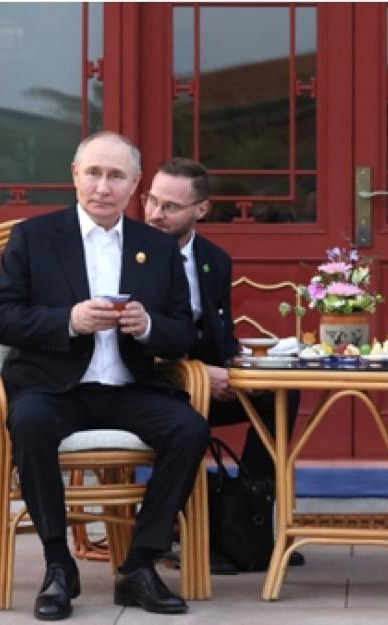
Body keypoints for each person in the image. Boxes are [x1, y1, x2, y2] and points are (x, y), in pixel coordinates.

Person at [0, 132, 210, 619]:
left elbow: (183, 332)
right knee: (31, 421)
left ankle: (140, 566)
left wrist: (148, 326)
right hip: (52, 385)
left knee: (189, 427)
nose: (102, 186)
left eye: (115, 176)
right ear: (74, 177)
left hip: (129, 386)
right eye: (93, 173)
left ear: (134, 186)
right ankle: (59, 566)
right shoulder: (35, 237)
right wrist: (68, 320)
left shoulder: (158, 247)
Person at [143, 156, 303, 573]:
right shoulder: (130, 254)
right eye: (151, 201)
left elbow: (221, 333)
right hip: (151, 384)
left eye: (169, 207)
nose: (156, 214)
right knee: (185, 416)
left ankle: (245, 523)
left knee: (278, 397)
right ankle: (176, 531)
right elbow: (128, 344)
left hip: (206, 380)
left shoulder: (214, 259)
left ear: (201, 210)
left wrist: (241, 370)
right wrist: (197, 374)